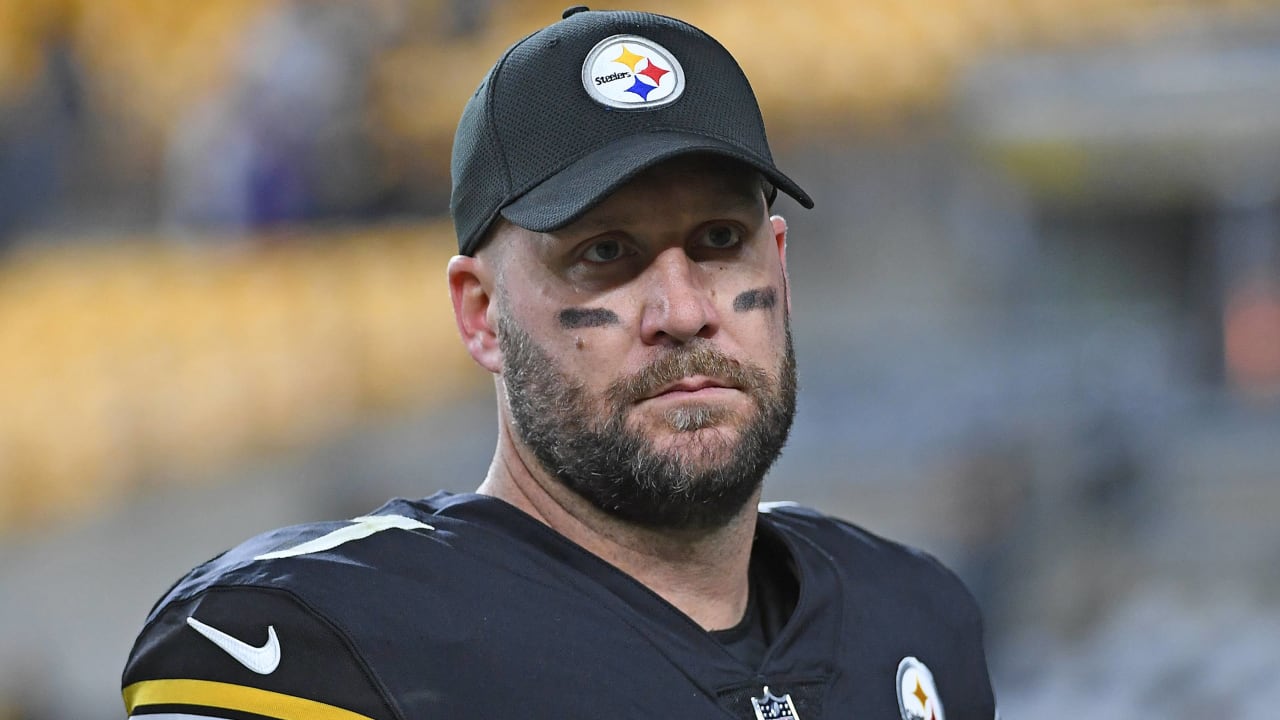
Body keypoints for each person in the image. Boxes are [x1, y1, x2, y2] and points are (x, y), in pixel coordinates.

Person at [122, 7, 998, 720]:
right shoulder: (316, 643)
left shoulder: (913, 617)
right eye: (607, 253)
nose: (683, 312)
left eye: (719, 241)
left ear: (779, 264)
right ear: (481, 315)